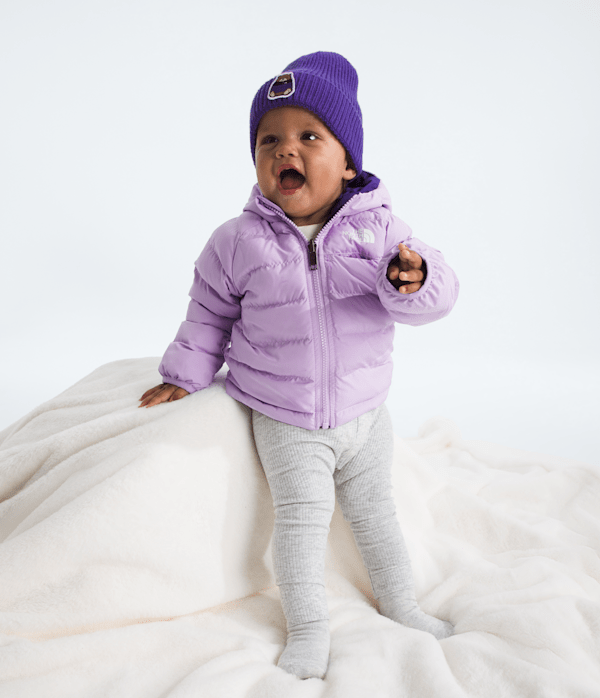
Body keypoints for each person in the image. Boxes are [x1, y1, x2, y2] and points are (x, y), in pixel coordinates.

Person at [139, 51, 459, 680]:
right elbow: (207, 313)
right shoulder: (237, 241)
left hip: (366, 412)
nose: (287, 149)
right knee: (301, 525)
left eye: (310, 136)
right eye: (269, 140)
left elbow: (436, 295)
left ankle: (403, 605)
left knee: (378, 516)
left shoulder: (382, 231)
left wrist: (414, 279)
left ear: (348, 163)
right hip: (286, 418)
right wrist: (184, 374)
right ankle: (309, 629)